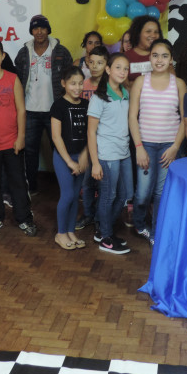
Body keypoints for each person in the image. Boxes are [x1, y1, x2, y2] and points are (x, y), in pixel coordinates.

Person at [0, 36, 37, 239]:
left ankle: (24, 218)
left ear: (3, 56)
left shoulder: (12, 78)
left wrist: (21, 137)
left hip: (12, 142)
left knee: (18, 182)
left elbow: (21, 110)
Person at [129, 39, 186, 245]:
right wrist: (139, 147)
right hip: (145, 145)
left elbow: (185, 119)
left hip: (169, 146)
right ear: (149, 58)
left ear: (171, 59)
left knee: (161, 193)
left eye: (164, 56)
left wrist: (175, 147)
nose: (159, 60)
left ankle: (156, 231)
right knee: (143, 193)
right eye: (155, 55)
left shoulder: (178, 84)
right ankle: (139, 224)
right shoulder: (140, 82)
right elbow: (132, 116)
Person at [14, 14, 73, 194]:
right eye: (35, 28)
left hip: (54, 110)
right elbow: (18, 79)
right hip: (30, 110)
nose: (39, 31)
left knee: (60, 148)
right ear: (31, 31)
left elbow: (70, 78)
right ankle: (31, 187)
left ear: (48, 30)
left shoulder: (61, 51)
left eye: (43, 28)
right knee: (30, 151)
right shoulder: (24, 53)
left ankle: (65, 186)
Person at [87, 53, 133, 254]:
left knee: (123, 195)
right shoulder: (99, 97)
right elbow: (91, 132)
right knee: (108, 195)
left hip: (124, 152)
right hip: (107, 155)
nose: (122, 72)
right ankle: (106, 237)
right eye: (118, 67)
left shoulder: (125, 93)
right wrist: (95, 163)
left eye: (126, 68)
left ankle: (102, 229)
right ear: (108, 70)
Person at [51, 66, 89, 250]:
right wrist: (69, 162)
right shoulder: (58, 106)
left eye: (80, 83)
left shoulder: (86, 104)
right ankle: (60, 233)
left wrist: (84, 156)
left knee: (75, 196)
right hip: (63, 158)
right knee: (67, 195)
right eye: (73, 83)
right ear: (63, 83)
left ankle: (70, 230)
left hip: (81, 158)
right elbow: (56, 137)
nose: (77, 87)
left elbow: (91, 133)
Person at [76, 45, 109, 230]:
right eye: (92, 62)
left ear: (107, 65)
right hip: (86, 139)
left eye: (100, 63)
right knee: (87, 182)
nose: (95, 66)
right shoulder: (83, 84)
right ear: (87, 63)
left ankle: (100, 217)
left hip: (105, 141)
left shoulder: (110, 86)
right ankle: (88, 214)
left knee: (103, 183)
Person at [124, 16, 163, 85]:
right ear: (138, 33)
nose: (153, 35)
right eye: (148, 31)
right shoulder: (125, 57)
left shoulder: (163, 56)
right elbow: (123, 86)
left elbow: (170, 81)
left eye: (156, 32)